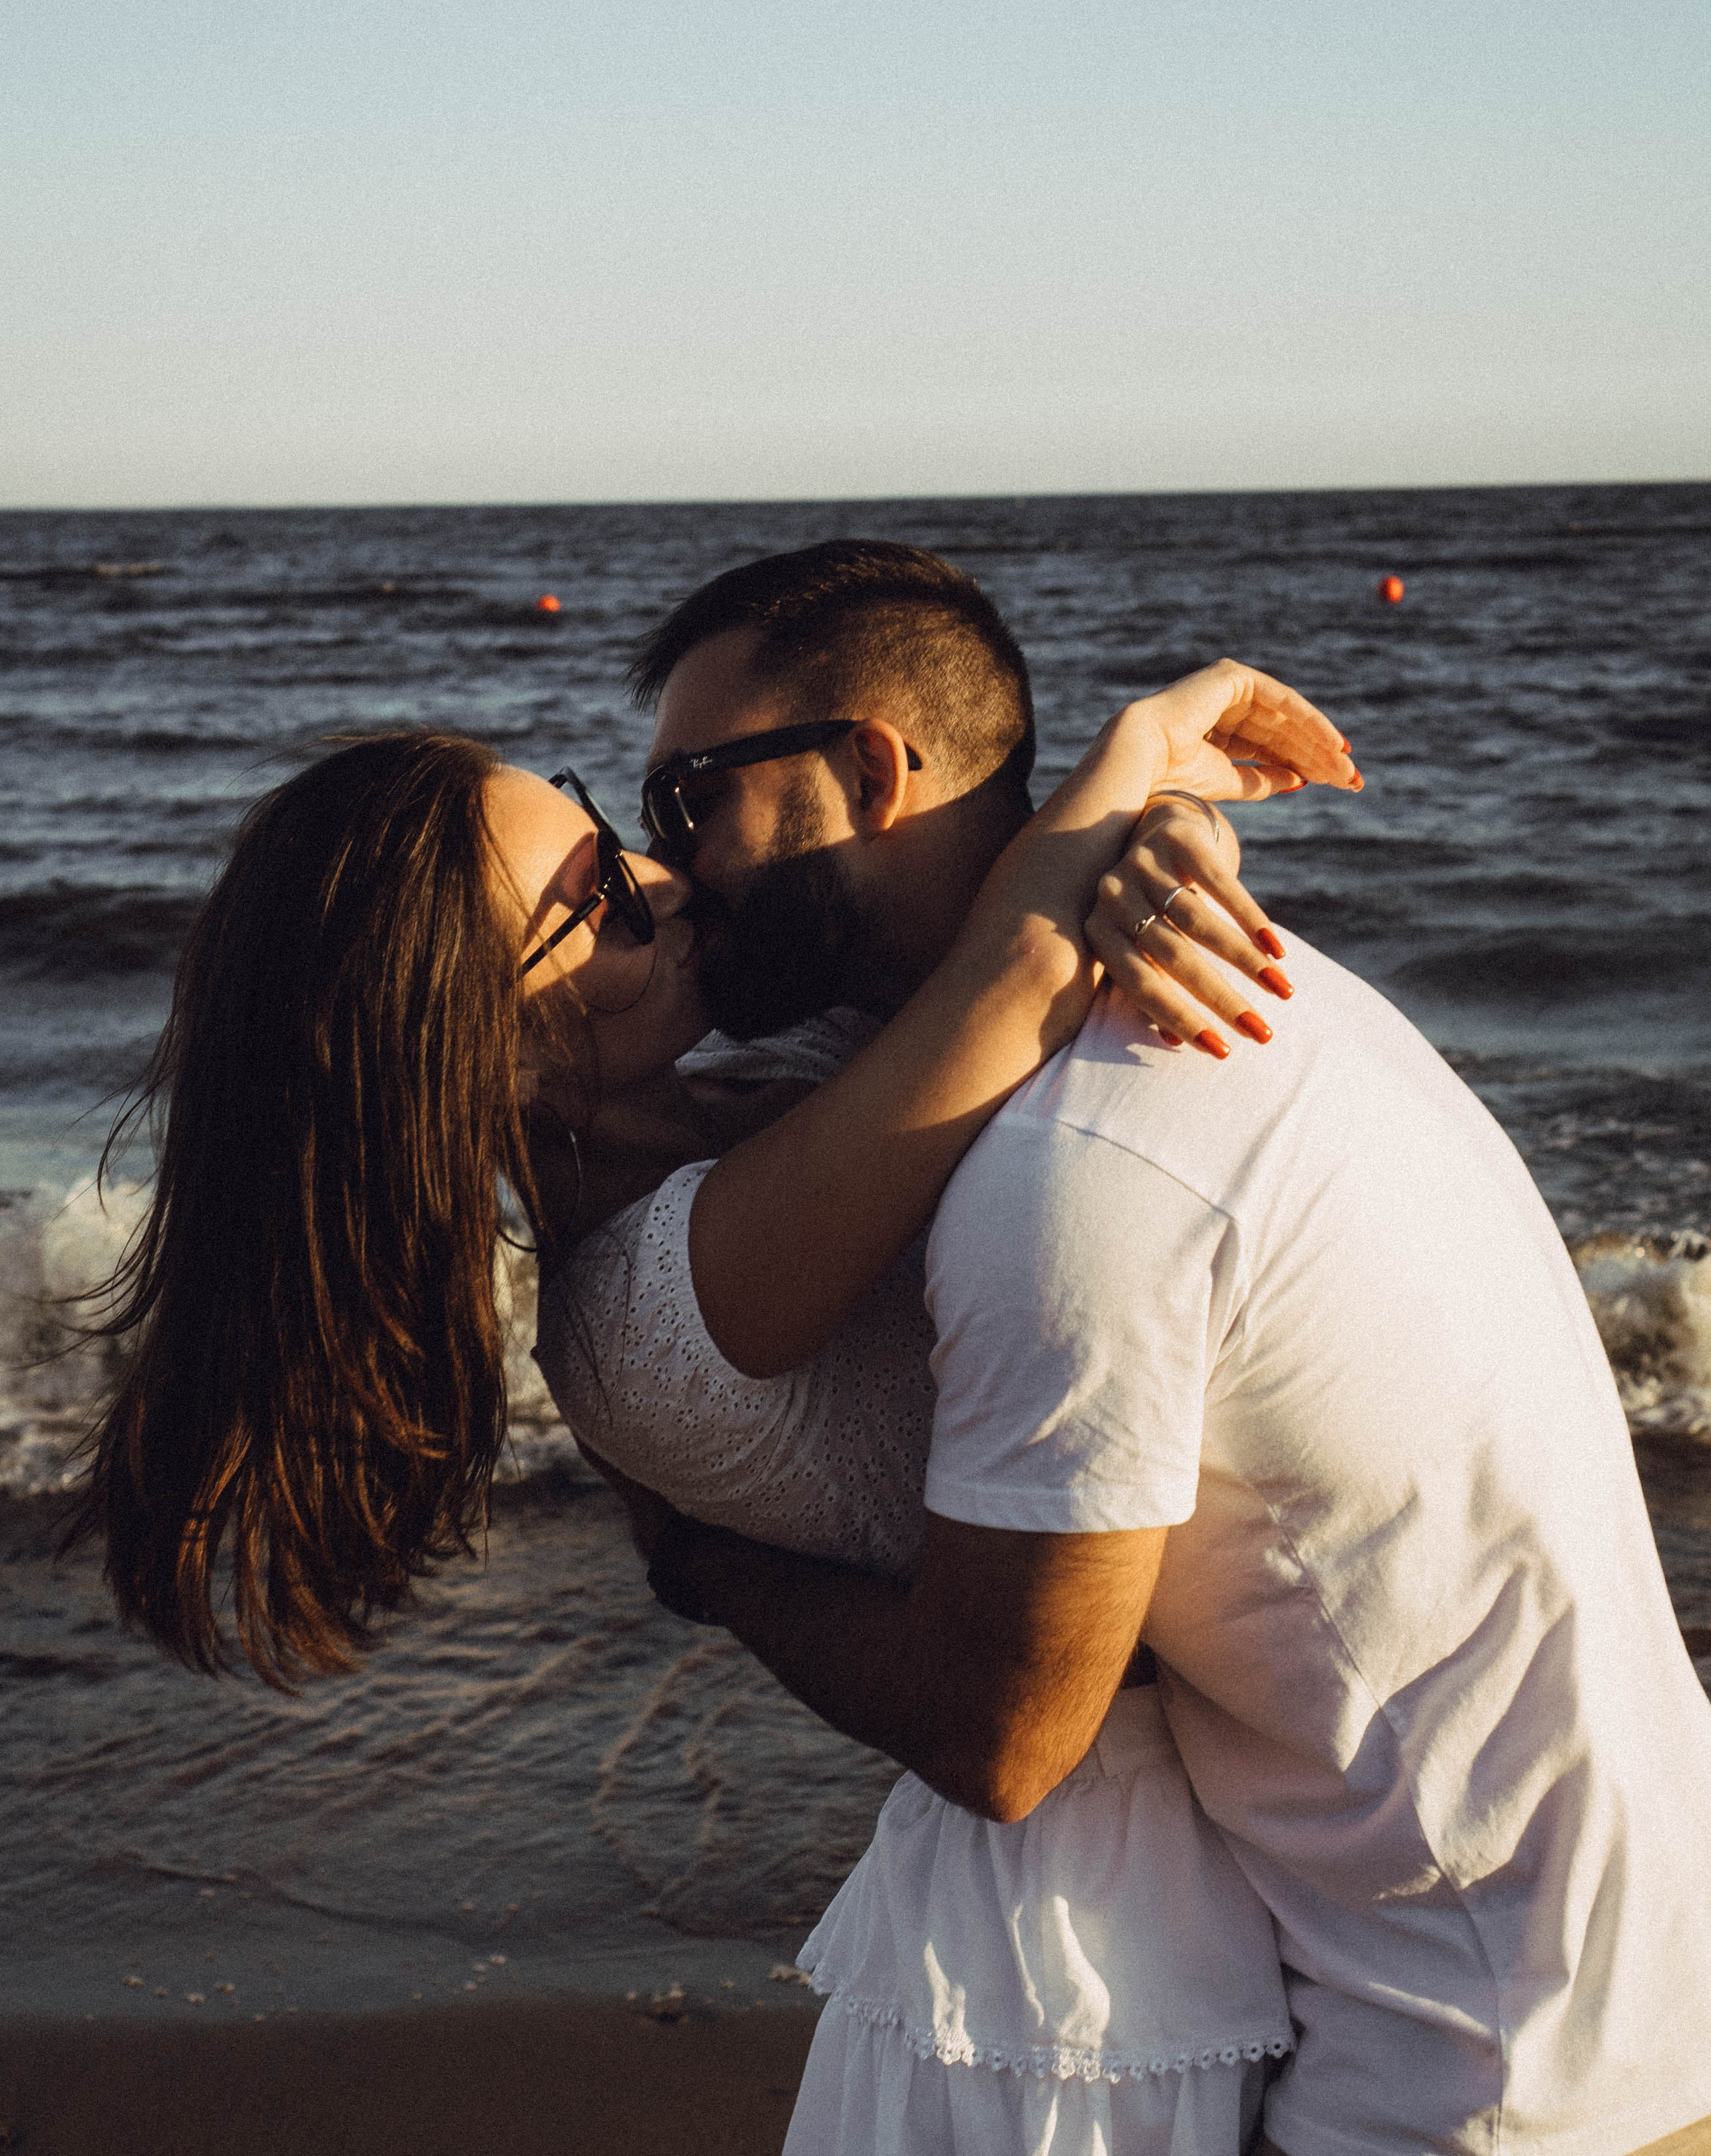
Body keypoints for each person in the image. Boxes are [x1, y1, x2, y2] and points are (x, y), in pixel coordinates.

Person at [74, 649, 1345, 2156]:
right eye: (599, 904)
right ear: (488, 1050)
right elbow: (1016, 974)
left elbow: (1003, 923)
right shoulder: (650, 1301)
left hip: (1203, 1850)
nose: (665, 879)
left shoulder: (765, 1082)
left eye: (604, 828)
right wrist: (1140, 741)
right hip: (1084, 1941)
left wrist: (1170, 849)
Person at [602, 539, 1711, 2156]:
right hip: (1627, 1962)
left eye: (692, 796)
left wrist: (705, 1566)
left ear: (865, 769)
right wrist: (1146, 815)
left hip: (1482, 2071)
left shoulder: (1074, 1167)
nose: (672, 866)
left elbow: (1004, 1732)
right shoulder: (1239, 1002)